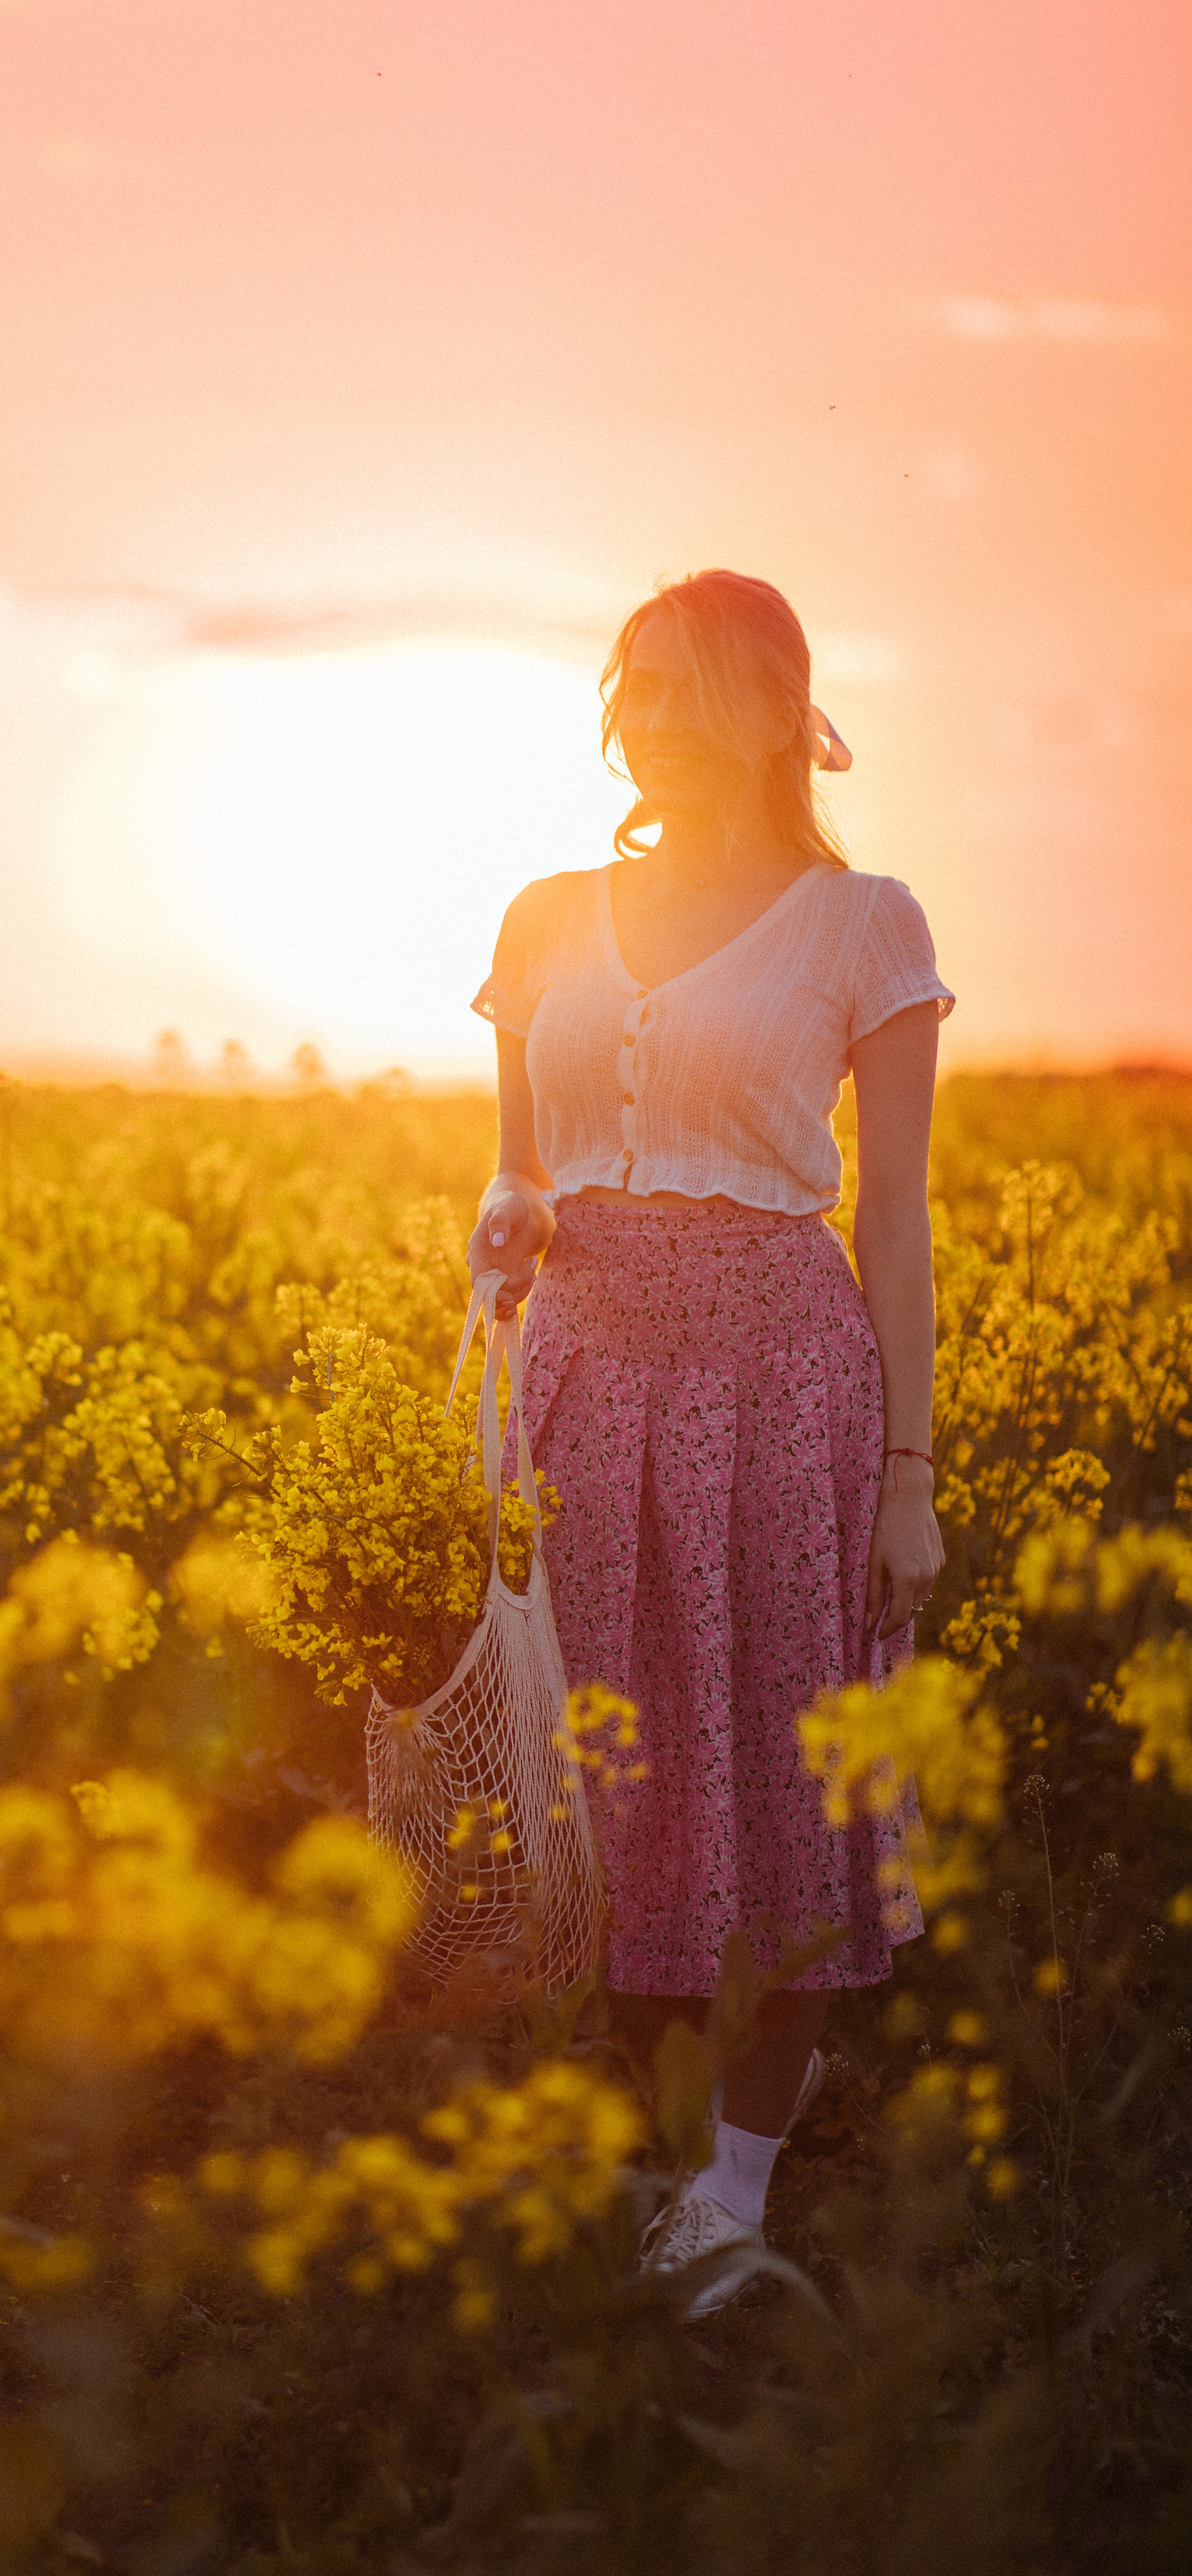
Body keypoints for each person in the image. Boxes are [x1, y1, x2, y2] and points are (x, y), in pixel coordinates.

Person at [466, 568, 952, 2316]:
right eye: (637, 689)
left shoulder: (865, 923)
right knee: (618, 1786)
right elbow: (520, 1163)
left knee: (784, 1780)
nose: (654, 720)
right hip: (585, 1385)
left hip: (786, 1391)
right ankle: (648, 2156)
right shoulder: (545, 914)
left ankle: (733, 2197)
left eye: (691, 688)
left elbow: (889, 1215)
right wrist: (509, 1218)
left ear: (772, 710)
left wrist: (909, 1479)